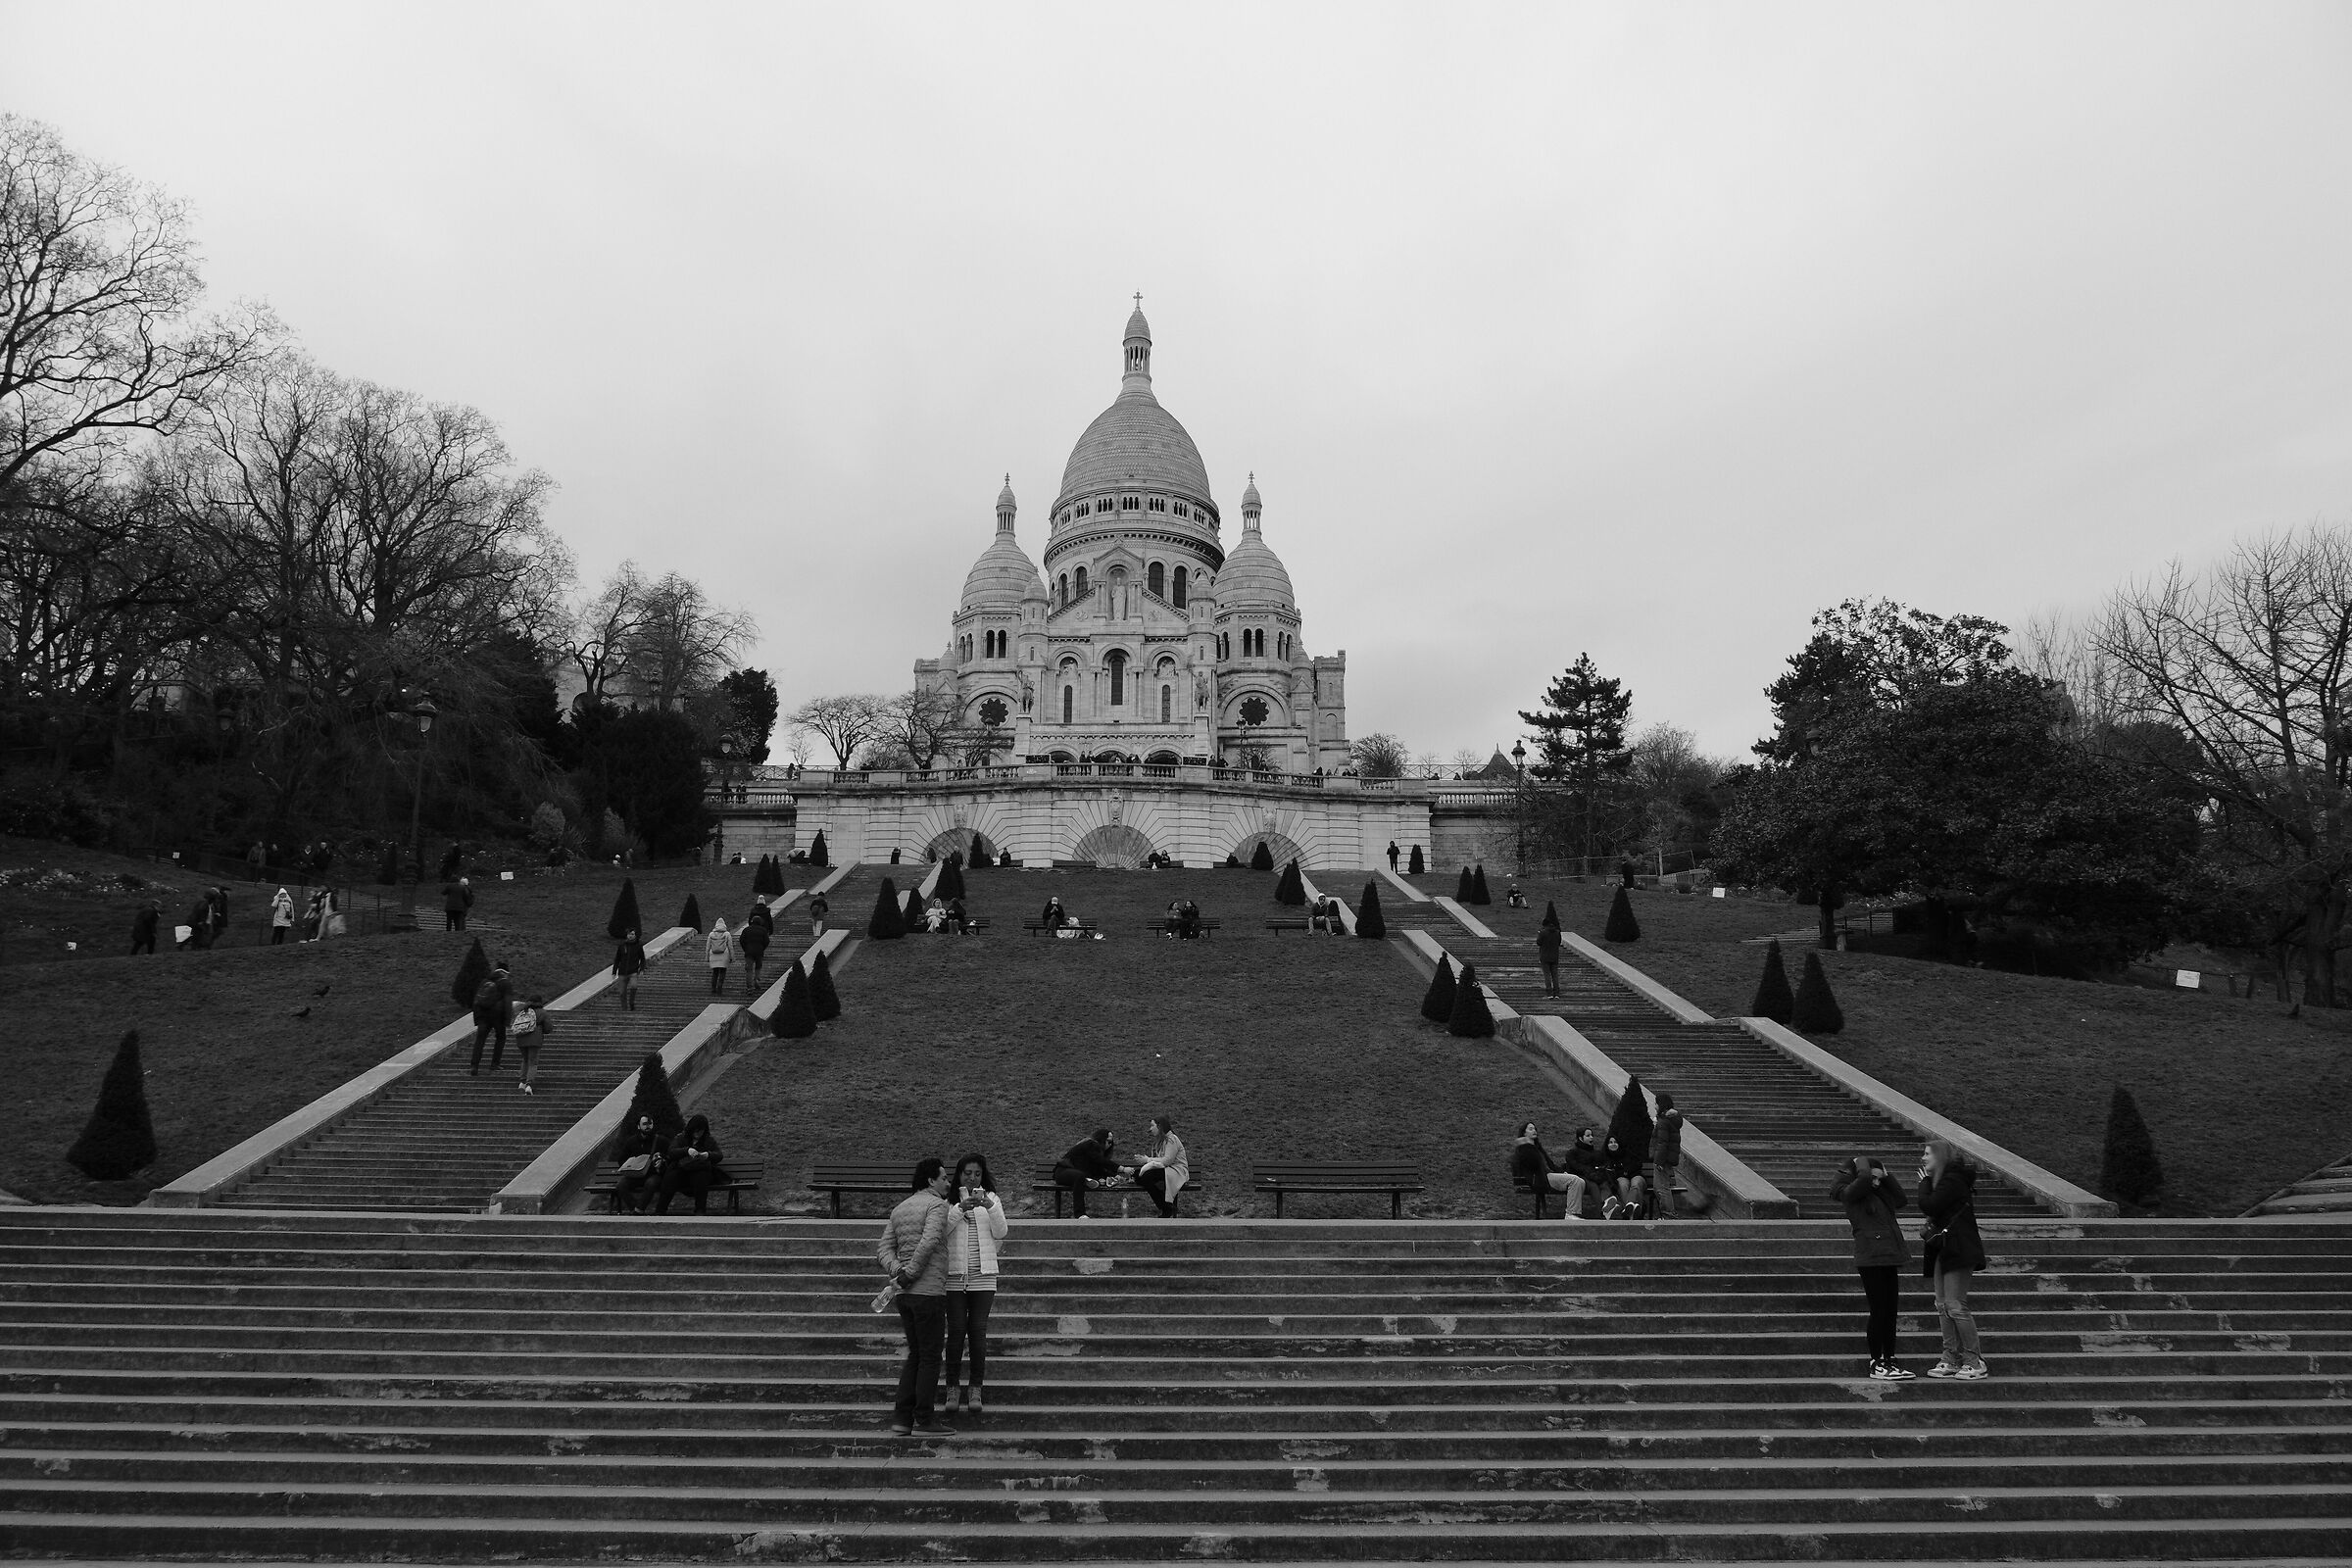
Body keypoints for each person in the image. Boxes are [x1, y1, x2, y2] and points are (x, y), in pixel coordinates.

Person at [876, 1156, 956, 1437]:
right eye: (944, 1177)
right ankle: (924, 1419)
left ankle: (902, 1418)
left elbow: (883, 1248)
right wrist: (910, 1272)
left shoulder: (901, 1208)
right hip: (929, 1291)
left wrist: (897, 1270)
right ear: (931, 1180)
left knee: (916, 1355)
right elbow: (931, 1240)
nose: (948, 1182)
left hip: (905, 1295)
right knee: (931, 1356)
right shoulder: (937, 1205)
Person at [1831, 1152, 1914, 1380]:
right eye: (1872, 1178)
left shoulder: (1877, 1192)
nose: (1875, 1183)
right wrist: (1862, 1165)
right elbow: (1862, 1182)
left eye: (1878, 1179)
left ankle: (1890, 1359)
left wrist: (1887, 1176)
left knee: (1890, 1312)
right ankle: (1876, 1361)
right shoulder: (1852, 1193)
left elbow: (1901, 1200)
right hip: (1870, 1257)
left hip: (1889, 1255)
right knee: (1879, 1311)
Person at [940, 1152, 1006, 1416]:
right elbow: (941, 1230)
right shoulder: (947, 1202)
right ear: (959, 1174)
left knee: (978, 1331)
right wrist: (960, 1209)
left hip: (984, 1275)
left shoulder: (993, 1199)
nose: (972, 1178)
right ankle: (952, 1388)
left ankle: (976, 1387)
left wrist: (989, 1205)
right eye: (967, 1173)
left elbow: (1001, 1232)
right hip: (955, 1276)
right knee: (956, 1332)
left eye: (977, 1174)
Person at [1918, 1139, 1989, 1379]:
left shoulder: (1953, 1181)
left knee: (1956, 1306)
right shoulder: (1944, 1182)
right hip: (1944, 1249)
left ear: (1939, 1156)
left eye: (1928, 1154)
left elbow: (1928, 1203)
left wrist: (1924, 1183)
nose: (1923, 1158)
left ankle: (1974, 1360)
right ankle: (1951, 1357)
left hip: (1959, 1249)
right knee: (1942, 1306)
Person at [1509, 1120, 1586, 1220]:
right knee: (1574, 1180)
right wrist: (1527, 1145)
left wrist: (1562, 1172)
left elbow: (1551, 1164)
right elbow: (1533, 1163)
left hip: (1546, 1175)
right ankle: (1571, 1214)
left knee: (1581, 1181)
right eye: (1530, 1129)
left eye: (1535, 1129)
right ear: (1524, 1133)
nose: (1534, 1131)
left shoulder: (1537, 1147)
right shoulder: (1523, 1149)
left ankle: (1573, 1213)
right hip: (1539, 1178)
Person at [656, 1114, 724, 1214]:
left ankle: (700, 1210)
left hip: (700, 1171)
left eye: (701, 1131)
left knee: (701, 1177)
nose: (698, 1133)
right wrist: (687, 1150)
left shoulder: (708, 1140)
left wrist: (708, 1155)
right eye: (696, 1130)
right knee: (671, 1177)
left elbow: (719, 1155)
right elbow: (671, 1152)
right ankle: (660, 1210)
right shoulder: (681, 1138)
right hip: (682, 1171)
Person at [1125, 1116, 1189, 1217]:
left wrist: (1147, 1160)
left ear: (1160, 1126)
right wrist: (1147, 1161)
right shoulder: (1163, 1140)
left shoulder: (1172, 1139)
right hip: (1168, 1169)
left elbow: (1167, 1161)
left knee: (1146, 1177)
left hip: (1176, 1171)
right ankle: (1166, 1206)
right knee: (1138, 1174)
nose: (1150, 1129)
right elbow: (1162, 1162)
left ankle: (1166, 1207)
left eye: (1152, 1125)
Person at [1052, 1128, 1120, 1218]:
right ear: (1101, 1138)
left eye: (1111, 1143)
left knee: (1080, 1176)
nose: (1110, 1145)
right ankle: (1080, 1214)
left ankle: (1087, 1180)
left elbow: (1099, 1168)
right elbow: (1100, 1161)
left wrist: (1114, 1176)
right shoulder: (1091, 1144)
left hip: (1076, 1174)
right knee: (1079, 1176)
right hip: (1063, 1172)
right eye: (1108, 1141)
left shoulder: (1095, 1151)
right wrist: (1121, 1168)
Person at [611, 1113, 663, 1213]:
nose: (648, 1126)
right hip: (635, 1175)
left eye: (650, 1123)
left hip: (653, 1174)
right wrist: (632, 1163)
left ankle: (638, 1210)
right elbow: (621, 1159)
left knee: (651, 1183)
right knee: (621, 1185)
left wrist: (661, 1161)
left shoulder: (661, 1140)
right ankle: (635, 1209)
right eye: (644, 1124)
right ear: (638, 1126)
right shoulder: (631, 1141)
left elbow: (669, 1156)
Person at [468, 963, 514, 1076]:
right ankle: (495, 1063)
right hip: (497, 1016)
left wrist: (477, 1018)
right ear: (504, 973)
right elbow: (508, 1002)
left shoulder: (485, 981)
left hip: (483, 1016)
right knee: (501, 1037)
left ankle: (474, 1065)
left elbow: (477, 1000)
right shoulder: (505, 983)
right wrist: (508, 1020)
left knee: (480, 1040)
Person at [1648, 1093, 1687, 1218]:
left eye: (1656, 1103)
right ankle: (1668, 1214)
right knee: (1661, 1187)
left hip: (1662, 1159)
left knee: (1661, 1187)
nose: (1655, 1106)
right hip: (1668, 1157)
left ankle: (1669, 1214)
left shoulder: (1664, 1121)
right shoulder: (1671, 1120)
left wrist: (1658, 1161)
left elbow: (1662, 1142)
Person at [1562, 1127, 1609, 1219]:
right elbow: (1577, 1167)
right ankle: (1601, 1214)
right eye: (1588, 1136)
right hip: (1579, 1178)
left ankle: (1609, 1206)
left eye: (1592, 1135)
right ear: (1580, 1138)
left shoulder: (1597, 1153)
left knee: (1605, 1184)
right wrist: (1591, 1173)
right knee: (1593, 1186)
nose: (1591, 1137)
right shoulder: (1572, 1153)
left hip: (1594, 1176)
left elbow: (1603, 1164)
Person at [511, 993, 552, 1094]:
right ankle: (529, 1084)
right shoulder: (542, 1012)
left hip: (521, 1038)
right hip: (535, 1040)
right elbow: (548, 1028)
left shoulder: (523, 1011)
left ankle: (522, 1082)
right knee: (533, 1062)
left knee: (525, 1060)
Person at [1600, 1132, 1645, 1219]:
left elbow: (1637, 1165)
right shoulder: (1605, 1157)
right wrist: (1623, 1173)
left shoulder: (1628, 1154)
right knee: (1622, 1183)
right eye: (1610, 1142)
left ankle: (1629, 1207)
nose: (1613, 1144)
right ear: (1607, 1145)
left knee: (1636, 1184)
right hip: (1621, 1179)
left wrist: (1625, 1171)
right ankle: (1632, 1212)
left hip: (1636, 1176)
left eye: (1615, 1142)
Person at [613, 927, 646, 1011]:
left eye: (632, 934)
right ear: (627, 935)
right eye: (629, 934)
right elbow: (617, 959)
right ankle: (624, 1009)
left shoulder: (638, 946)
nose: (630, 936)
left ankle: (631, 1002)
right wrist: (614, 971)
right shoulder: (622, 946)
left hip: (633, 971)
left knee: (634, 986)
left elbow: (642, 958)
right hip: (622, 972)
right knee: (622, 992)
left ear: (635, 936)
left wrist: (642, 969)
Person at [706, 917, 734, 996]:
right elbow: (730, 946)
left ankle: (713, 989)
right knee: (722, 972)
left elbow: (708, 947)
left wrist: (707, 957)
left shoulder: (711, 934)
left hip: (713, 955)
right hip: (724, 955)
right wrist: (732, 957)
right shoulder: (727, 934)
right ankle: (719, 989)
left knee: (715, 973)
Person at [1535, 915, 1562, 999]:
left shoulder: (1543, 932)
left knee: (1547, 975)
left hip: (1545, 957)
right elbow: (1559, 943)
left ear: (1544, 925)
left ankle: (1549, 993)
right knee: (1555, 975)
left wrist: (1539, 934)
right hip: (1554, 957)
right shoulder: (1557, 932)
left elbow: (1538, 942)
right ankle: (1556, 993)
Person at [740, 918, 770, 992]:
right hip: (759, 952)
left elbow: (741, 940)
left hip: (749, 952)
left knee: (749, 970)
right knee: (758, 967)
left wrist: (745, 949)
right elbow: (767, 941)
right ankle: (756, 979)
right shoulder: (763, 930)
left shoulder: (746, 930)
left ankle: (749, 987)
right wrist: (762, 948)